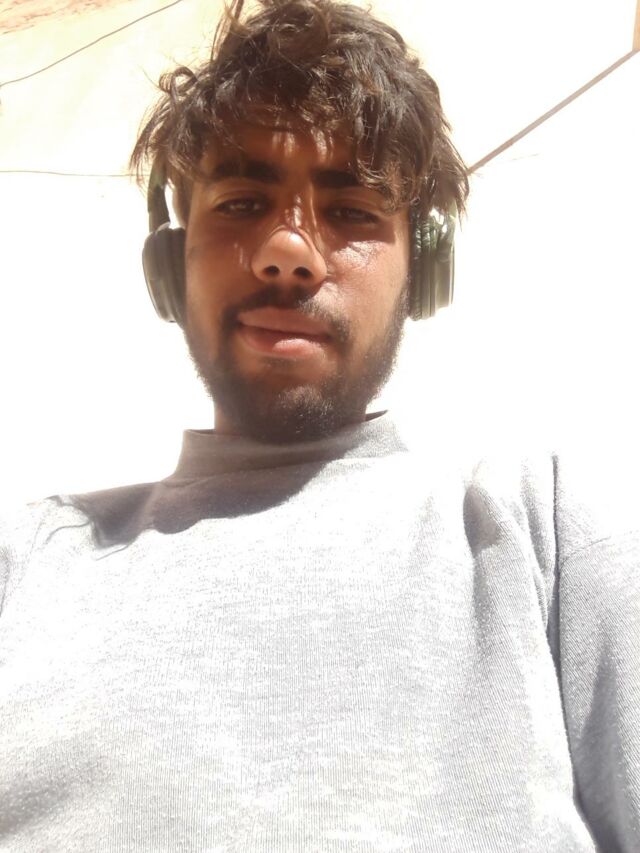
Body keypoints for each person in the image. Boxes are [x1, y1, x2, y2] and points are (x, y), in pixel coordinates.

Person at [0, 1, 638, 851]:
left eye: (354, 211)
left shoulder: (542, 530)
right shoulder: (28, 563)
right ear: (170, 266)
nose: (289, 252)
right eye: (240, 202)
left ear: (424, 269)